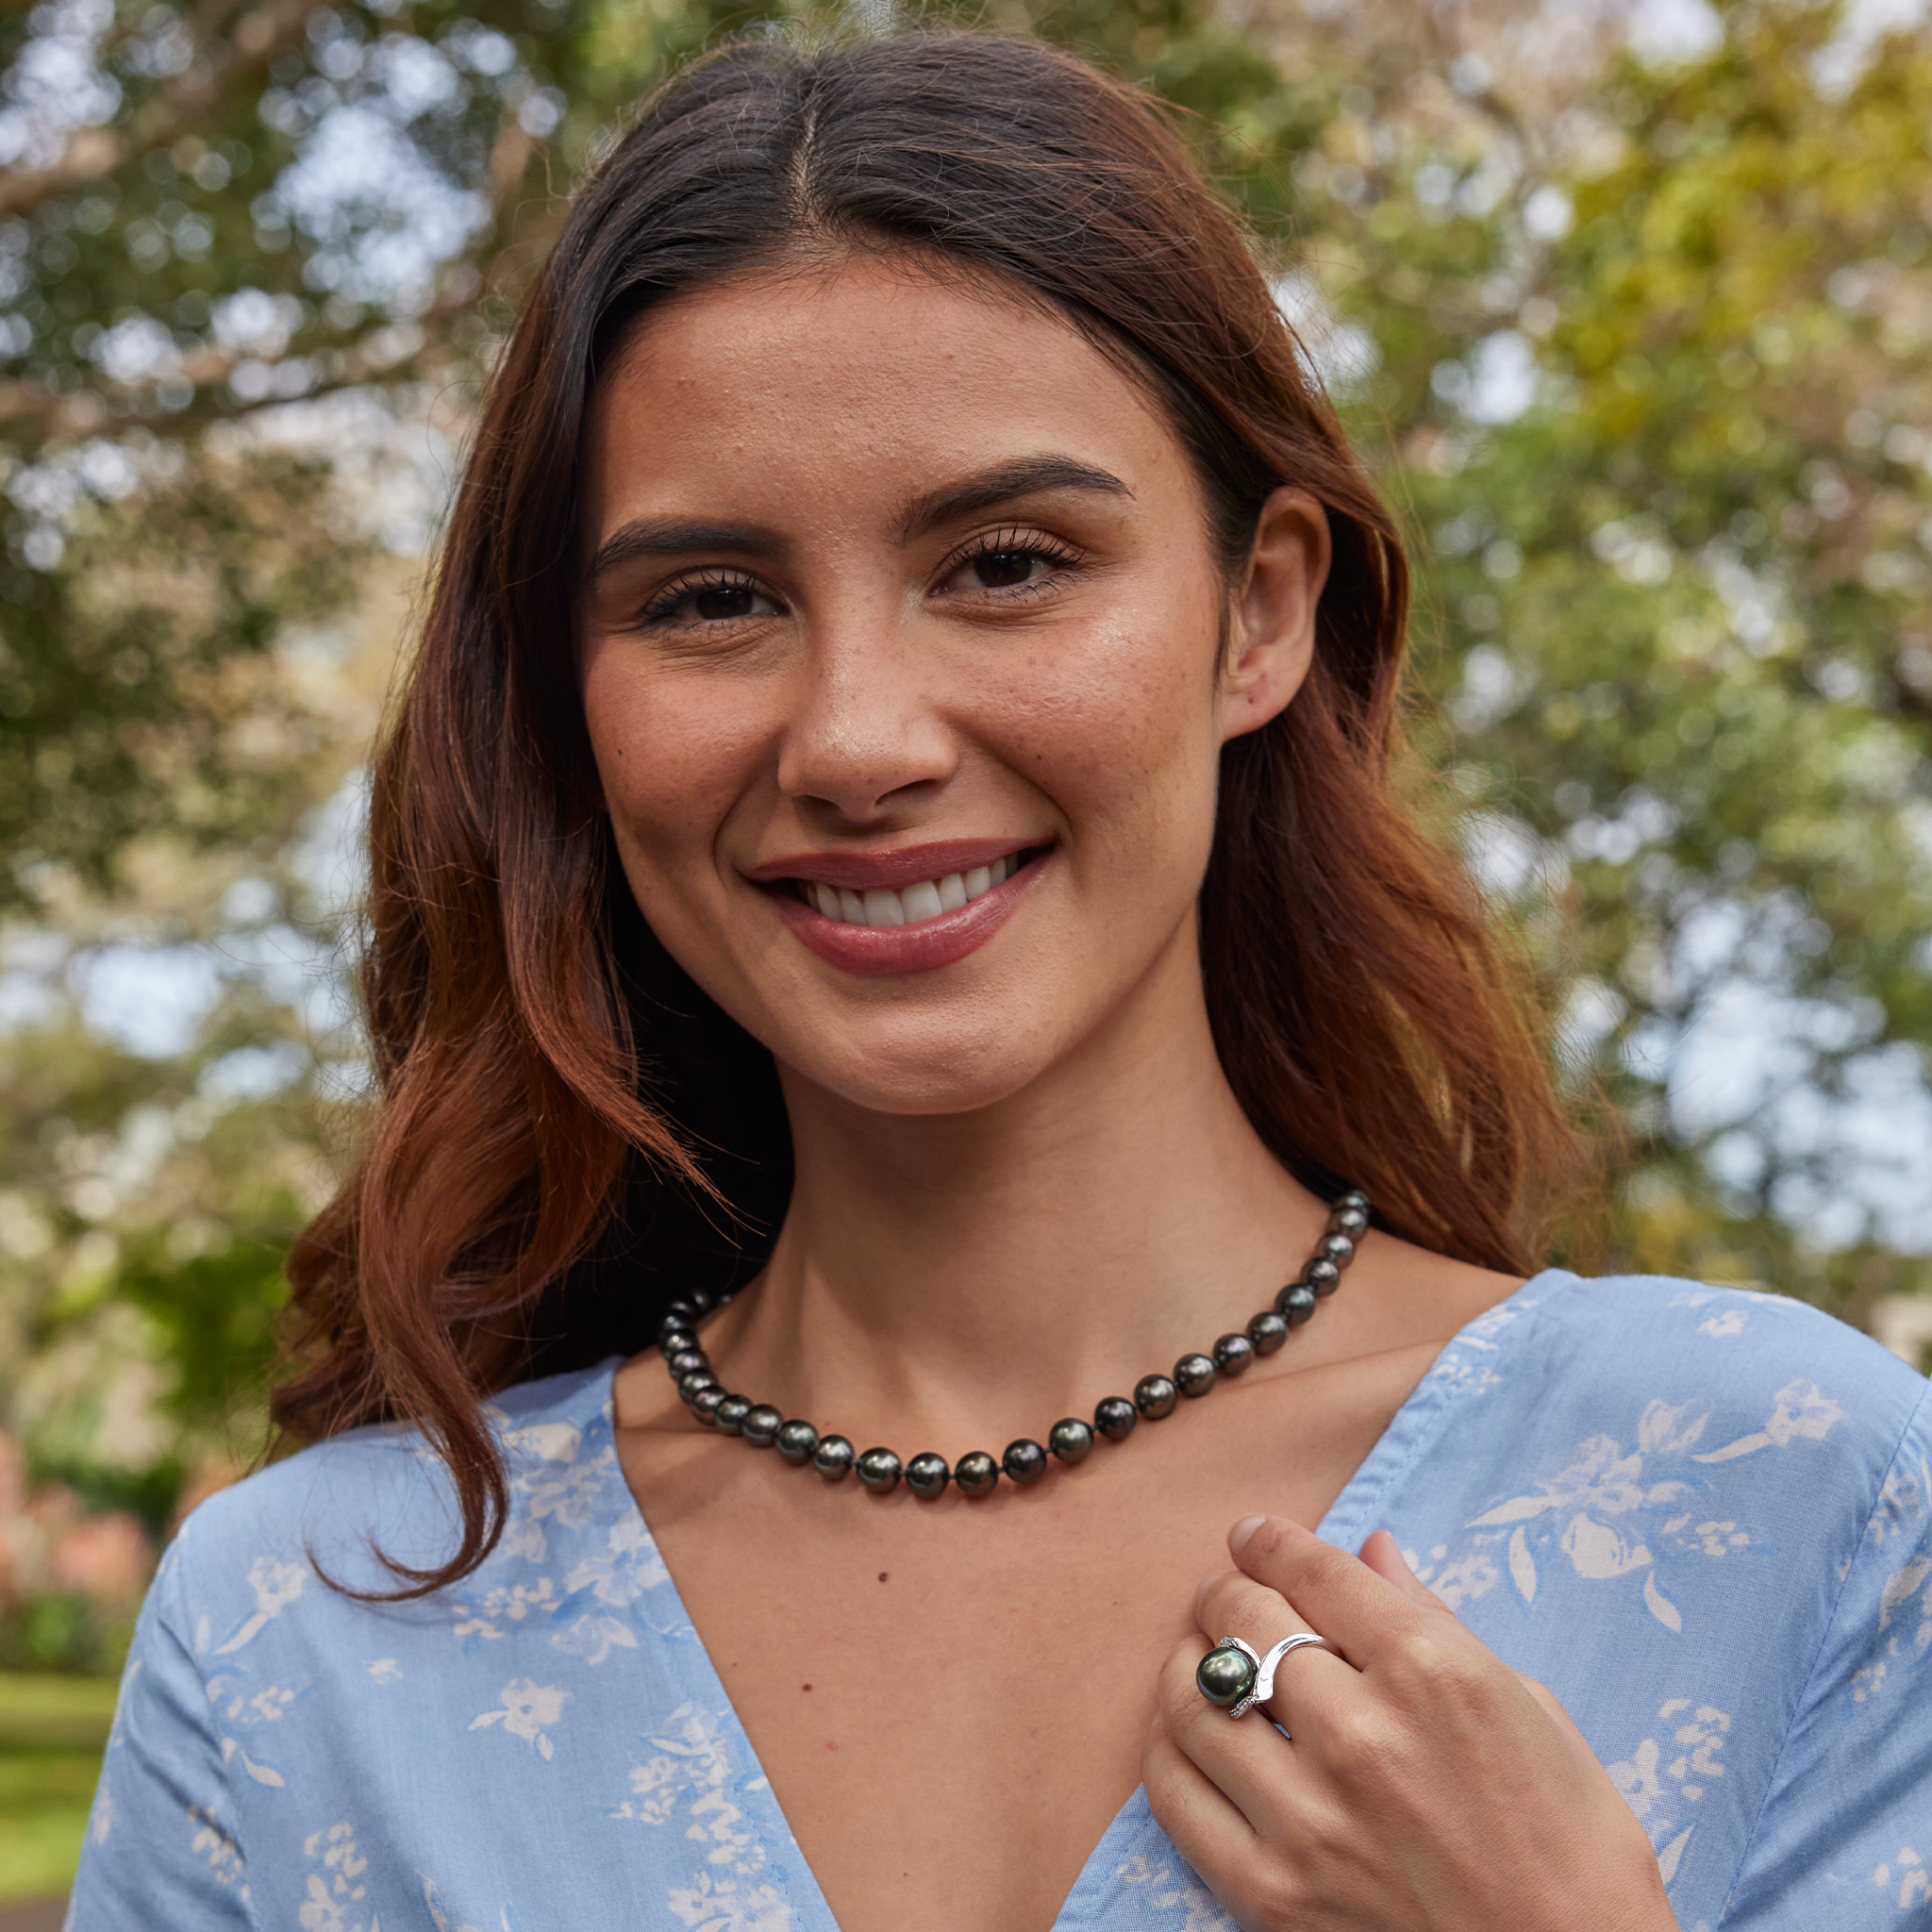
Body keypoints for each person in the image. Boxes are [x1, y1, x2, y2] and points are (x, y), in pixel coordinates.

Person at [69, 29, 1931, 1932]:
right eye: (711, 599)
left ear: (1260, 613)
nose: (857, 740)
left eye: (1009, 563)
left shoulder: (1788, 1492)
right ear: (573, 700)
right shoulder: (299, 1636)